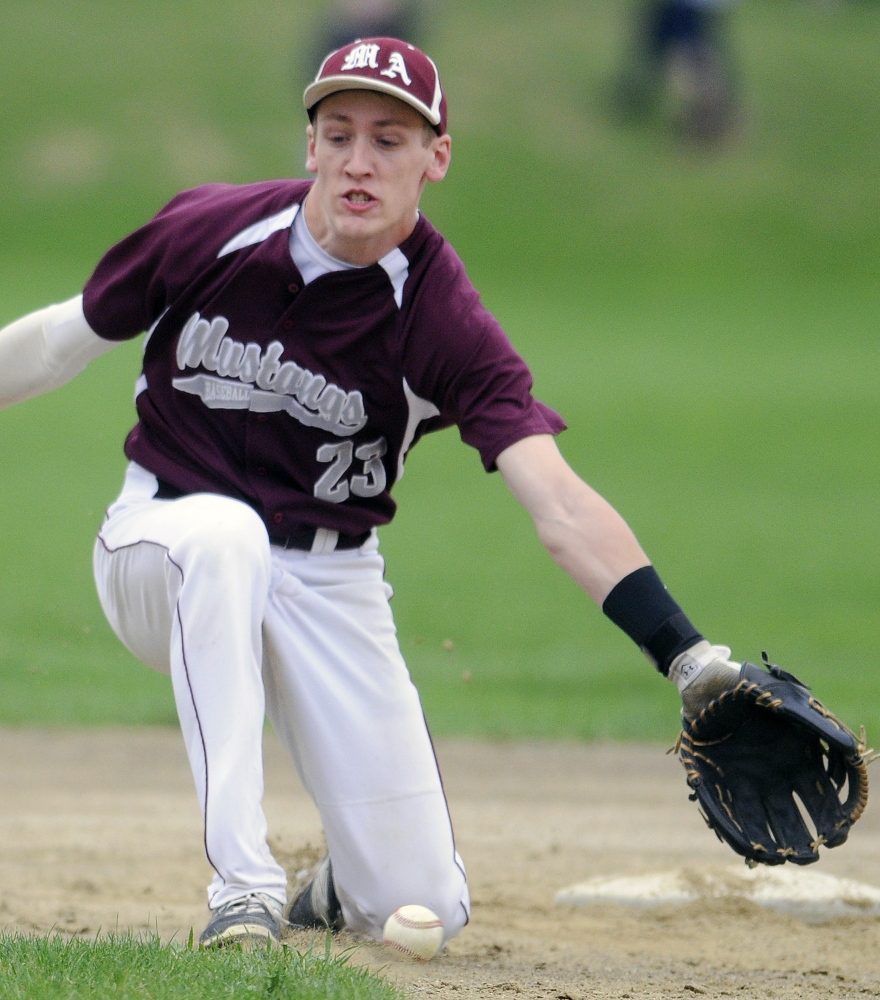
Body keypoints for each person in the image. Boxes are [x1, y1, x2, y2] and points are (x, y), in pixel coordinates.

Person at [0, 37, 742, 949]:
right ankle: (244, 885)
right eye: (339, 132)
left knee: (421, 903)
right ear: (308, 145)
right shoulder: (212, 231)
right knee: (225, 537)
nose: (359, 161)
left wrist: (689, 657)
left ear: (437, 157)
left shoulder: (441, 318)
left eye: (390, 139)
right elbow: (57, 342)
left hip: (328, 581)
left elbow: (557, 502)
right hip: (161, 543)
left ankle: (330, 890)